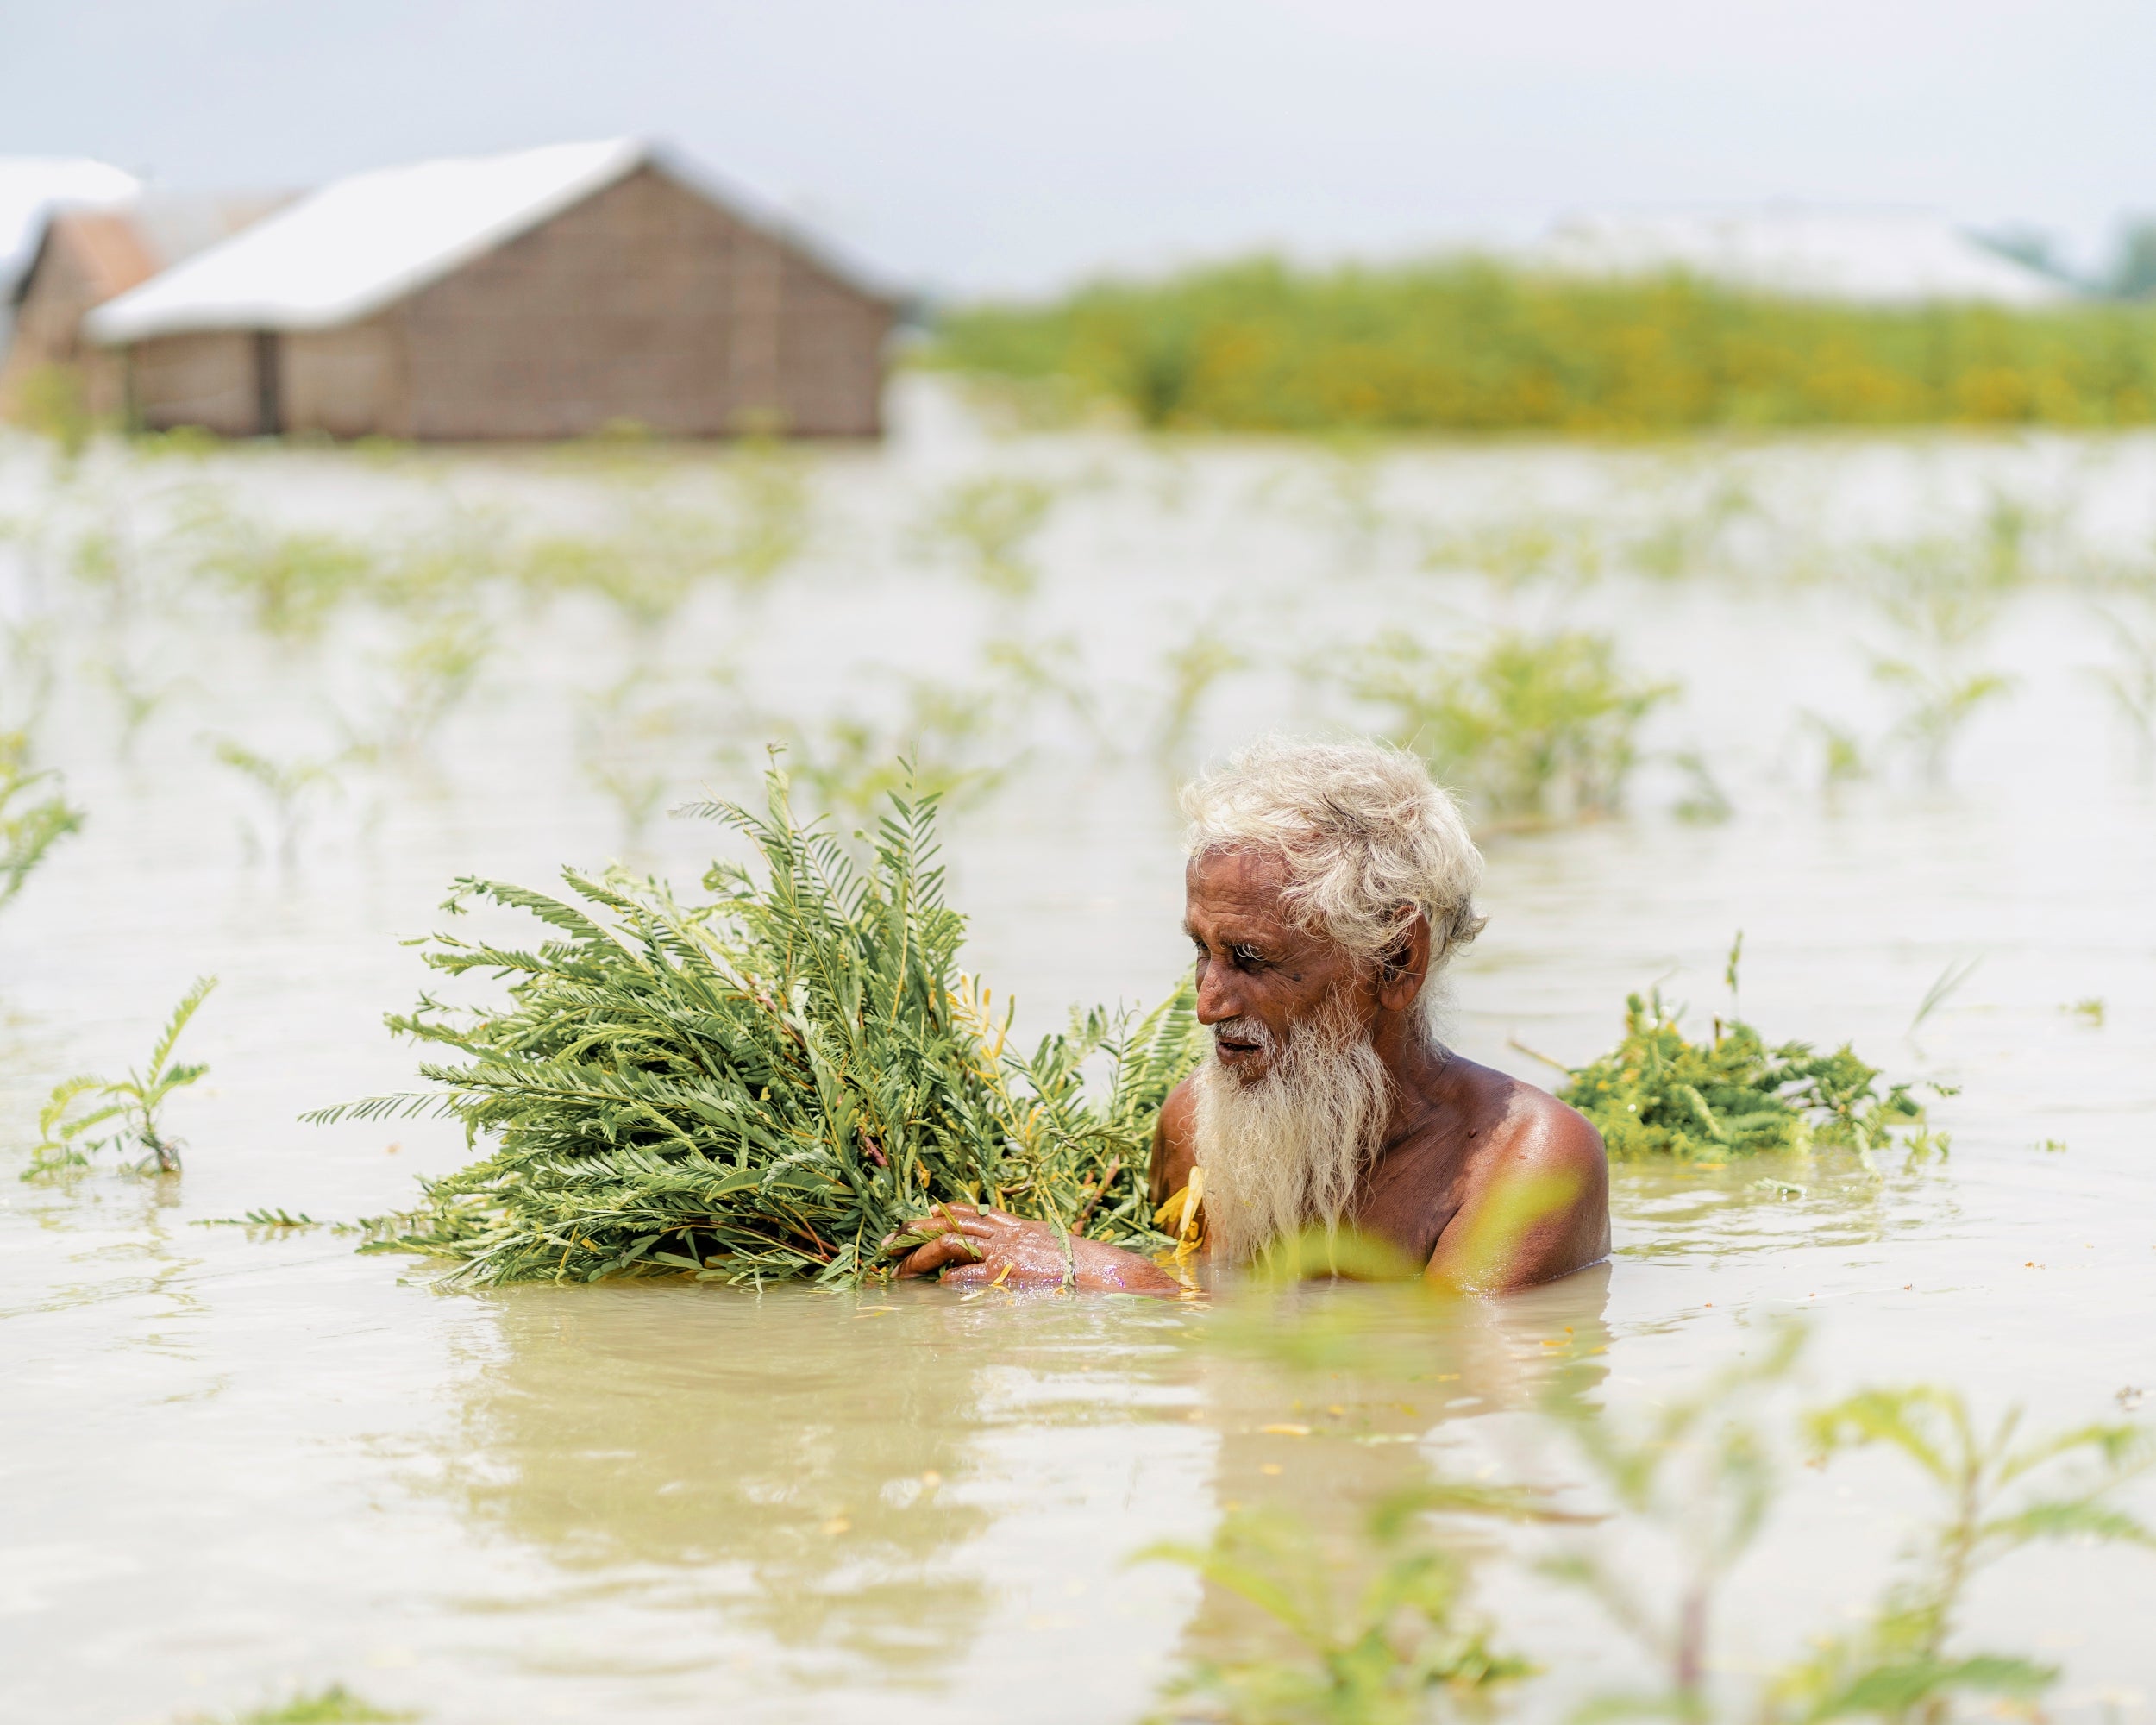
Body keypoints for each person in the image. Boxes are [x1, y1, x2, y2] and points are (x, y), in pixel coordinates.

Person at [890, 737, 1609, 1296]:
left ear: (1395, 963)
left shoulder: (1527, 1162)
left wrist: (1118, 1278)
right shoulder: (1192, 1129)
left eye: (1251, 960)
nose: (1207, 1004)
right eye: (1200, 952)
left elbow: (1439, 1361)